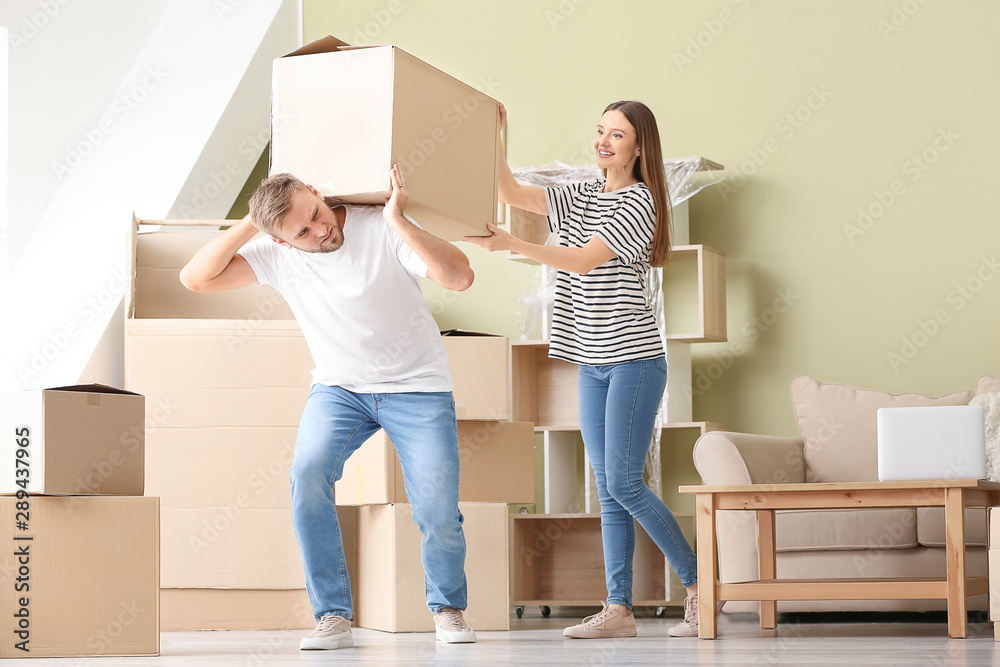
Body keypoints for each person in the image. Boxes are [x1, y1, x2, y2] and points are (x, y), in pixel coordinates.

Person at [179, 164, 478, 650]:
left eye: (316, 212)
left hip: (417, 387)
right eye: (302, 230)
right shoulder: (275, 257)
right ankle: (333, 616)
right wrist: (254, 222)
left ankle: (448, 610)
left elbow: (460, 277)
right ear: (280, 241)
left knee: (437, 509)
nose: (322, 229)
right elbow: (194, 278)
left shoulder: (378, 225)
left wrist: (399, 220)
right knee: (307, 476)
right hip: (340, 389)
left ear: (318, 194)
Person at [463, 101, 710, 638]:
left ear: (639, 146)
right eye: (600, 131)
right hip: (591, 361)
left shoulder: (640, 202)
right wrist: (497, 131)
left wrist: (513, 244)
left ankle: (699, 585)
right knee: (608, 486)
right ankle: (618, 610)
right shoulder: (581, 192)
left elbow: (581, 260)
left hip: (634, 360)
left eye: (616, 135)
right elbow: (509, 191)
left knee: (623, 480)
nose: (603, 141)